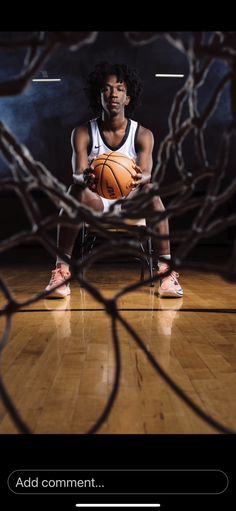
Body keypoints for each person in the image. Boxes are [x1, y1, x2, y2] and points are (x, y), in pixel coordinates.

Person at [45, 62, 183, 298]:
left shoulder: (143, 134)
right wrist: (84, 176)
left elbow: (147, 171)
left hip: (129, 202)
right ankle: (61, 272)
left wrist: (142, 177)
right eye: (106, 89)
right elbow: (77, 172)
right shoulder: (82, 132)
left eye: (119, 89)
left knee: (151, 190)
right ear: (98, 96)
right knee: (73, 192)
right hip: (95, 202)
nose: (113, 94)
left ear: (128, 98)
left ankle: (166, 273)